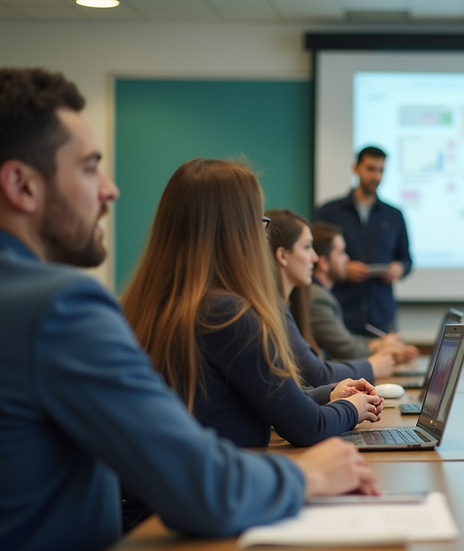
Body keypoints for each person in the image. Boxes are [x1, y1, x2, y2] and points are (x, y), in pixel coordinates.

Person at [0, 67, 378, 551]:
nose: (110, 189)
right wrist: (306, 475)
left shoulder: (122, 303)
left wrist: (325, 399)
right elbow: (203, 487)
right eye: (89, 167)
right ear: (22, 184)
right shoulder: (60, 307)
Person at [122, 159, 384, 449]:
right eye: (259, 221)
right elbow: (309, 427)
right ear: (237, 231)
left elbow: (258, 398)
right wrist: (354, 409)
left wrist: (330, 393)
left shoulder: (147, 303)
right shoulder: (227, 314)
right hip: (225, 484)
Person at [264, 209, 398, 381]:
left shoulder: (295, 301)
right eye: (307, 247)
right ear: (282, 255)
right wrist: (373, 365)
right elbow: (317, 371)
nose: (314, 258)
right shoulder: (304, 302)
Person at [314, 146, 411, 336]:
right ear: (355, 168)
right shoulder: (328, 211)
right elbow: (314, 256)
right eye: (370, 169)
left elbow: (407, 259)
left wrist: (399, 268)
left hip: (383, 315)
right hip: (341, 312)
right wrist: (342, 269)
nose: (376, 176)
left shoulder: (394, 215)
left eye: (381, 170)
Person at [308, 220, 420, 363]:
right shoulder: (317, 298)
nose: (347, 259)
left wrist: (379, 344)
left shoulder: (321, 294)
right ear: (323, 262)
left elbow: (347, 340)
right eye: (341, 253)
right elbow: (348, 350)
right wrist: (386, 350)